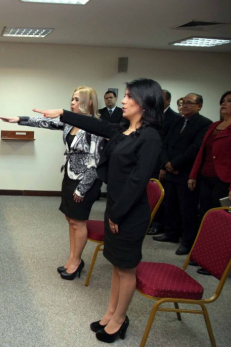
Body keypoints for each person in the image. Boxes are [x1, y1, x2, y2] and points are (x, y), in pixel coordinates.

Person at [37, 78, 163, 343]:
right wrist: (62, 113)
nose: (124, 100)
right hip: (115, 207)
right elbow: (96, 124)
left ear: (145, 102)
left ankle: (119, 319)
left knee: (126, 269)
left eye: (129, 96)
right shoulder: (123, 129)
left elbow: (138, 182)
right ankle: (110, 313)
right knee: (116, 266)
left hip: (128, 212)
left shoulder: (150, 137)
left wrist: (117, 214)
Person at [1, 86, 104, 280]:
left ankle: (76, 261)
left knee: (78, 222)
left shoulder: (96, 126)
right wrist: (19, 120)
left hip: (86, 181)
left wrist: (82, 189)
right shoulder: (69, 123)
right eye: (71, 99)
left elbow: (96, 162)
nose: (72, 103)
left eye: (76, 99)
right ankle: (73, 258)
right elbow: (44, 122)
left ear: (89, 102)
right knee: (70, 219)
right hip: (69, 175)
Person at [153, 93, 212, 255]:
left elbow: (195, 149)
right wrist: (166, 164)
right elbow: (165, 143)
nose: (184, 105)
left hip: (186, 172)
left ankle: (187, 242)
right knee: (170, 204)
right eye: (182, 102)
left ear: (199, 106)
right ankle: (170, 233)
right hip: (170, 170)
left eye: (189, 103)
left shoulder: (205, 124)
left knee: (187, 210)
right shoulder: (177, 121)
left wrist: (175, 163)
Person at [188, 90, 231, 274]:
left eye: (230, 101)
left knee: (222, 221)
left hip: (225, 180)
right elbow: (202, 152)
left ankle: (215, 261)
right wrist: (193, 175)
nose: (224, 104)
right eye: (222, 100)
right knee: (206, 216)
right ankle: (202, 255)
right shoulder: (215, 125)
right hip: (206, 177)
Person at [147, 89, 180, 235]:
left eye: (161, 98)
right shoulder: (151, 115)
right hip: (148, 159)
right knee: (148, 192)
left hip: (161, 162)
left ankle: (158, 223)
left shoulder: (175, 118)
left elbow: (167, 143)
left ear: (168, 101)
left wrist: (163, 165)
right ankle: (149, 220)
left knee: (160, 193)